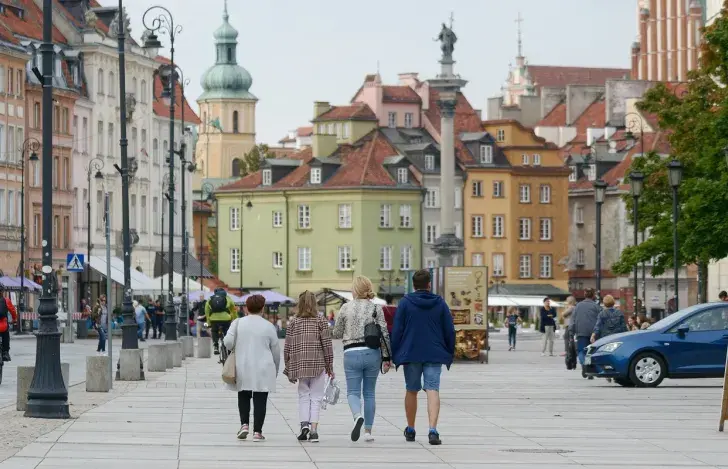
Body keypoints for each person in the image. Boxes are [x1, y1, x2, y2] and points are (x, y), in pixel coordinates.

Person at [391, 269, 455, 446]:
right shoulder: (440, 303)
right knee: (433, 389)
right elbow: (449, 329)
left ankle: (410, 429)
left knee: (411, 389)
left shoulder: (405, 303)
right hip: (434, 353)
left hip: (411, 352)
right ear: (429, 284)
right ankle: (433, 430)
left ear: (413, 285)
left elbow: (397, 330)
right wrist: (449, 351)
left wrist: (393, 353)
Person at [332, 276, 391, 443]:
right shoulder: (376, 308)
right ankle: (368, 432)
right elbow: (384, 334)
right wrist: (387, 358)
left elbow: (336, 333)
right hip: (372, 353)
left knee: (353, 392)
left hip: (351, 353)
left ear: (355, 289)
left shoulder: (345, 307)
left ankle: (357, 416)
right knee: (369, 393)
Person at [223, 294, 280, 441]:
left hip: (243, 364)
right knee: (260, 399)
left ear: (246, 308)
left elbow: (228, 342)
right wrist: (276, 370)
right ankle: (257, 432)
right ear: (262, 308)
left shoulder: (238, 322)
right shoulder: (268, 326)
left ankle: (244, 425)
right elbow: (276, 351)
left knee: (243, 394)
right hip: (264, 367)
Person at [284, 291, 334, 443]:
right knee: (316, 398)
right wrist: (329, 365)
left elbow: (287, 346)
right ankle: (313, 431)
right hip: (318, 363)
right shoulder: (320, 320)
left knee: (303, 396)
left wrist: (288, 366)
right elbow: (327, 344)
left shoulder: (294, 321)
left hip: (300, 364)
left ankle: (303, 425)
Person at [591, 295, 628, 382]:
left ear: (604, 303)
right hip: (618, 337)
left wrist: (593, 335)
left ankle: (608, 373)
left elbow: (598, 326)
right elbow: (624, 327)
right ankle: (617, 375)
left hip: (606, 338)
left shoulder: (602, 314)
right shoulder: (619, 313)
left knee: (606, 355)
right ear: (613, 303)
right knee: (617, 355)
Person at [571, 289, 601, 379]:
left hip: (581, 332)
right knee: (590, 352)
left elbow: (572, 320)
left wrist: (571, 332)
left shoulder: (578, 306)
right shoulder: (596, 307)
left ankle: (584, 365)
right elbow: (601, 320)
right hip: (593, 333)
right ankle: (588, 368)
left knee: (581, 351)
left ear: (584, 295)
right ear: (593, 296)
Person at [205, 288, 236, 355]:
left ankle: (216, 345)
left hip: (214, 319)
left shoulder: (210, 299)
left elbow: (207, 311)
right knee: (227, 332)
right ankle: (229, 348)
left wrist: (209, 322)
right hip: (226, 319)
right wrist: (235, 319)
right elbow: (233, 309)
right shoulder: (228, 298)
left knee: (214, 331)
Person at [0, 290, 18, 362]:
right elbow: (13, 311)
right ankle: (5, 353)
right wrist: (14, 319)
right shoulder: (6, 300)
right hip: (3, 325)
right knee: (6, 336)